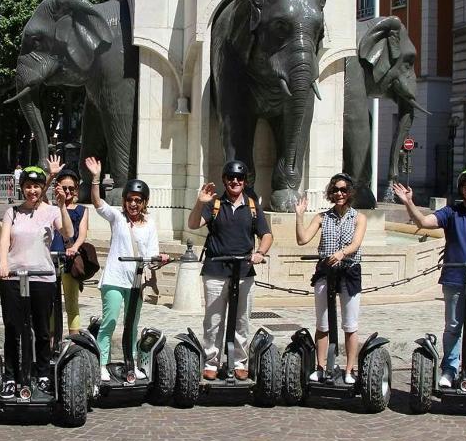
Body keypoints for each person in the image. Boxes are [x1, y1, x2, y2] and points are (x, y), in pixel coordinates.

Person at [392, 169, 466, 390]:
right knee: (453, 326)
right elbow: (423, 221)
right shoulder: (451, 212)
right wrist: (408, 202)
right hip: (454, 278)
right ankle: (450, 369)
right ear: (461, 190)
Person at [186, 160, 273, 380]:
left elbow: (267, 234)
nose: (235, 181)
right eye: (231, 178)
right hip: (215, 269)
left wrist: (260, 253)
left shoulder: (252, 206)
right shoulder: (214, 204)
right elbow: (193, 224)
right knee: (214, 320)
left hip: (244, 271)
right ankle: (212, 362)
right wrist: (199, 202)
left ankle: (239, 362)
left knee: (242, 320)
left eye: (240, 178)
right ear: (225, 180)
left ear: (244, 182)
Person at [83, 156, 167, 381]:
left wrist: (161, 259)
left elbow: (152, 256)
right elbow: (98, 203)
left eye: (138, 200)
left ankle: (132, 363)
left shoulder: (150, 224)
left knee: (132, 324)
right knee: (109, 322)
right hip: (114, 278)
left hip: (136, 281)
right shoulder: (117, 218)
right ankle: (102, 363)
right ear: (124, 201)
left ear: (144, 202)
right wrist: (96, 178)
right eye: (130, 199)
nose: (133, 204)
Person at [0, 165, 74, 397]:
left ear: (42, 189)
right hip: (13, 277)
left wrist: (61, 206)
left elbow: (68, 234)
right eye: (28, 186)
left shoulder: (51, 212)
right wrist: (3, 264)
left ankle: (42, 373)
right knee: (13, 328)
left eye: (37, 186)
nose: (32, 191)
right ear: (22, 189)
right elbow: (3, 241)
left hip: (42, 277)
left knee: (41, 329)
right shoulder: (12, 212)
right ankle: (11, 376)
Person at [294, 173, 368, 385]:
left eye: (344, 190)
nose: (339, 194)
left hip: (349, 271)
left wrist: (342, 253)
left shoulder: (359, 218)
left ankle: (349, 370)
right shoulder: (322, 217)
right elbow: (302, 239)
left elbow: (356, 244)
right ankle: (321, 366)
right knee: (323, 324)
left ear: (350, 192)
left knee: (350, 324)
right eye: (335, 190)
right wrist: (299, 216)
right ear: (330, 193)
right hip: (326, 271)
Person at [47, 155, 89, 337]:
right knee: (49, 302)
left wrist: (74, 247)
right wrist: (51, 176)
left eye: (71, 188)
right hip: (50, 258)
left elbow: (83, 233)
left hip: (69, 259)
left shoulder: (81, 210)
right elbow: (40, 194)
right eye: (64, 188)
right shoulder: (51, 207)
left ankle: (74, 340)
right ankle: (50, 340)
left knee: (71, 302)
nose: (68, 192)